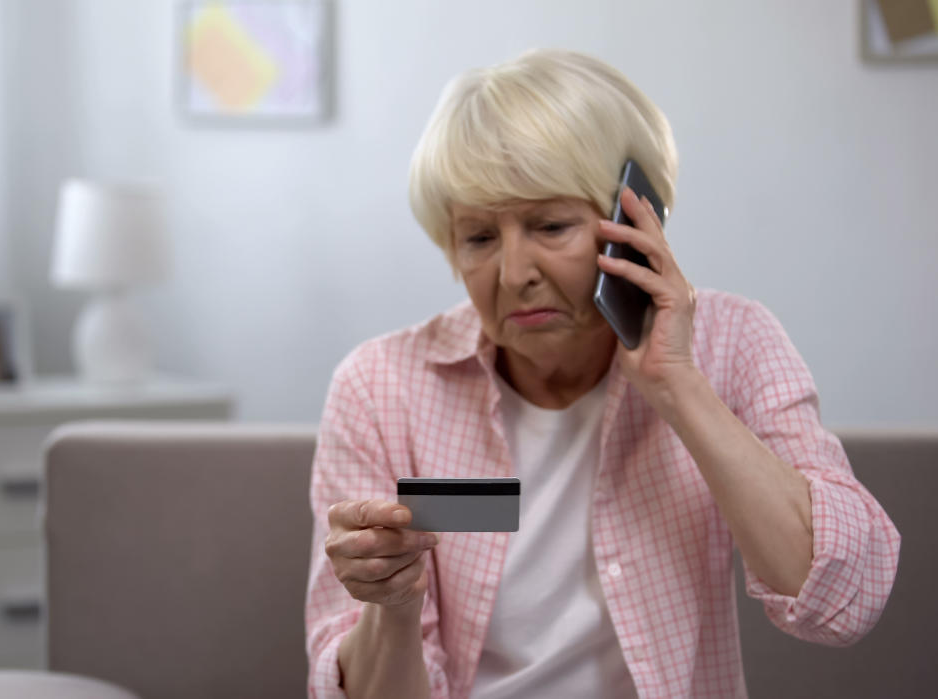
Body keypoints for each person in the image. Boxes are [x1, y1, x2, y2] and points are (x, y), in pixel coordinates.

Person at [304, 49, 900, 699]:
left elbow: (844, 600)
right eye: (478, 238)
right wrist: (390, 605)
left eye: (550, 225)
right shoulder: (379, 385)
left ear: (635, 220)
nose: (513, 274)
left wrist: (678, 385)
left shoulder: (734, 342)